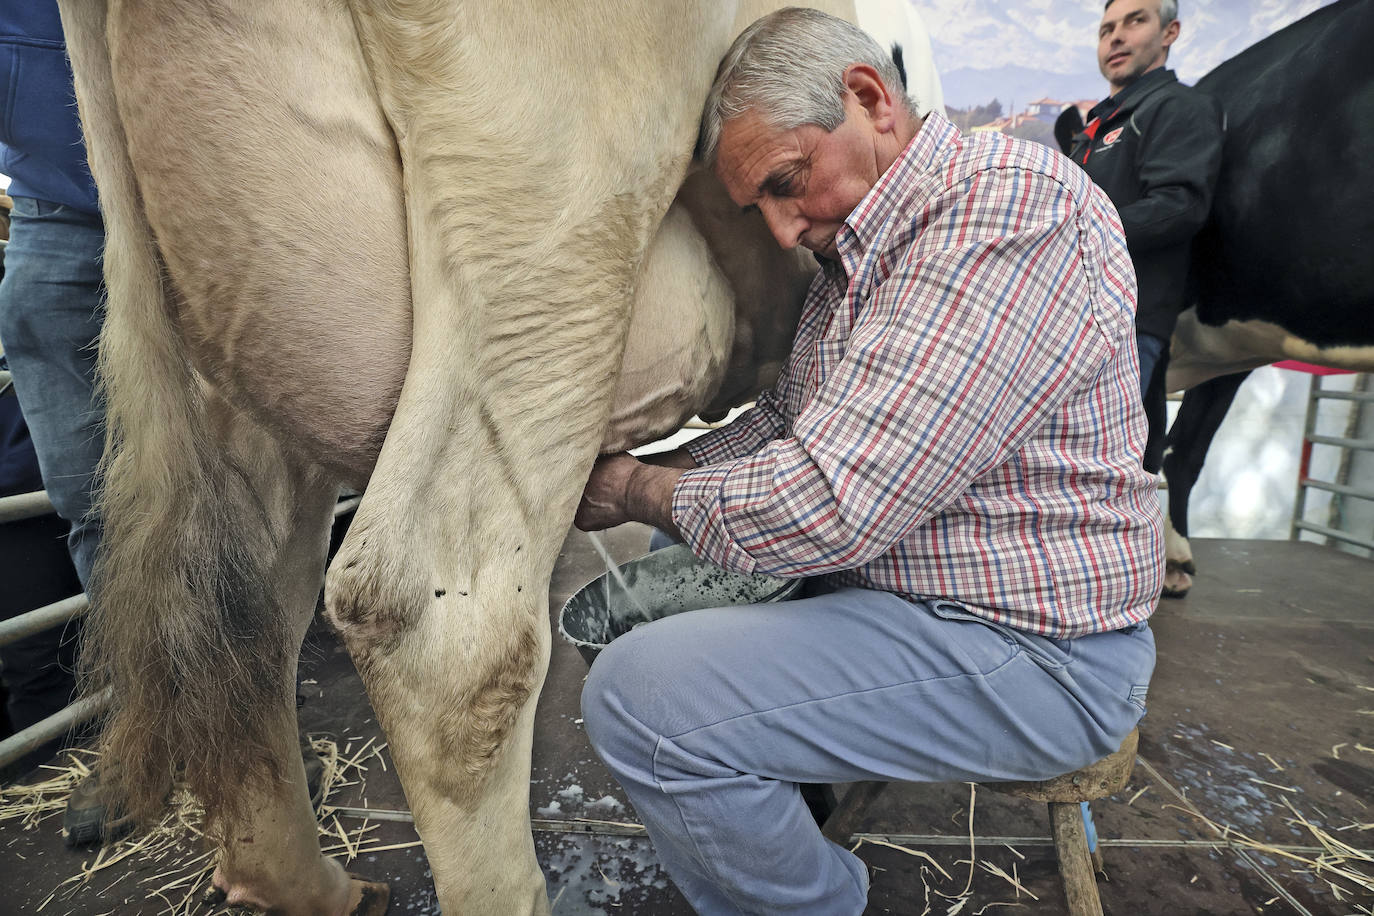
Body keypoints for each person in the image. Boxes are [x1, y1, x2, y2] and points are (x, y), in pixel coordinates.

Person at [574, 9, 1164, 913]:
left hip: (1032, 651)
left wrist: (635, 487)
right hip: (922, 597)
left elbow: (825, 505)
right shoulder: (867, 253)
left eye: (786, 182)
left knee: (639, 701)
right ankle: (777, 798)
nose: (780, 230)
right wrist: (642, 479)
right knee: (675, 556)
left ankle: (810, 899)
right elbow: (784, 419)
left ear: (867, 98)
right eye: (759, 206)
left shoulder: (1004, 215)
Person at [1065, 0, 1223, 471]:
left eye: (1135, 21)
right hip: (1073, 318)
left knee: (1090, 468)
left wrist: (1070, 230)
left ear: (1170, 32)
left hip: (1126, 326)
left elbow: (1181, 205)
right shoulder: (1097, 122)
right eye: (1106, 28)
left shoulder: (1181, 107)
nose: (1115, 37)